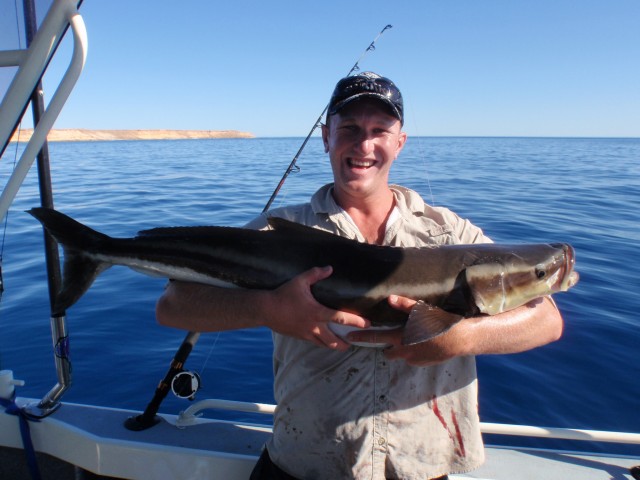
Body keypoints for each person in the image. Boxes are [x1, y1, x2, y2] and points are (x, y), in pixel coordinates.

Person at [156, 72, 564, 479]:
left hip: (421, 466)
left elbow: (547, 320)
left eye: (379, 130)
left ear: (399, 142)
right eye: (349, 128)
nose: (363, 144)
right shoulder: (276, 231)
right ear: (326, 137)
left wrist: (461, 338)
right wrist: (267, 309)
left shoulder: (452, 234)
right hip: (303, 463)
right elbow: (172, 307)